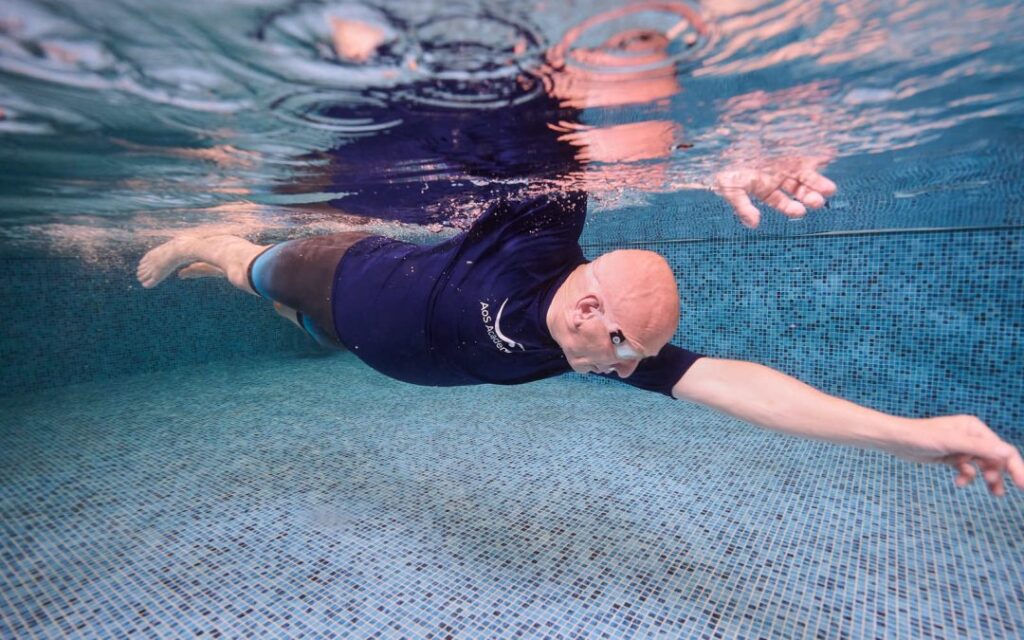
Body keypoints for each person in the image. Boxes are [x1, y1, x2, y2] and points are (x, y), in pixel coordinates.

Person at [138, 4, 1023, 497]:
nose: (626, 370)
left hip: (359, 343)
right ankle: (210, 240)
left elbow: (743, 388)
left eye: (633, 358)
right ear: (593, 309)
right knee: (249, 271)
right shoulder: (539, 231)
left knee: (299, 326)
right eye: (624, 351)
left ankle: (256, 282)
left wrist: (910, 435)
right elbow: (483, 113)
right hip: (341, 273)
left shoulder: (602, 346)